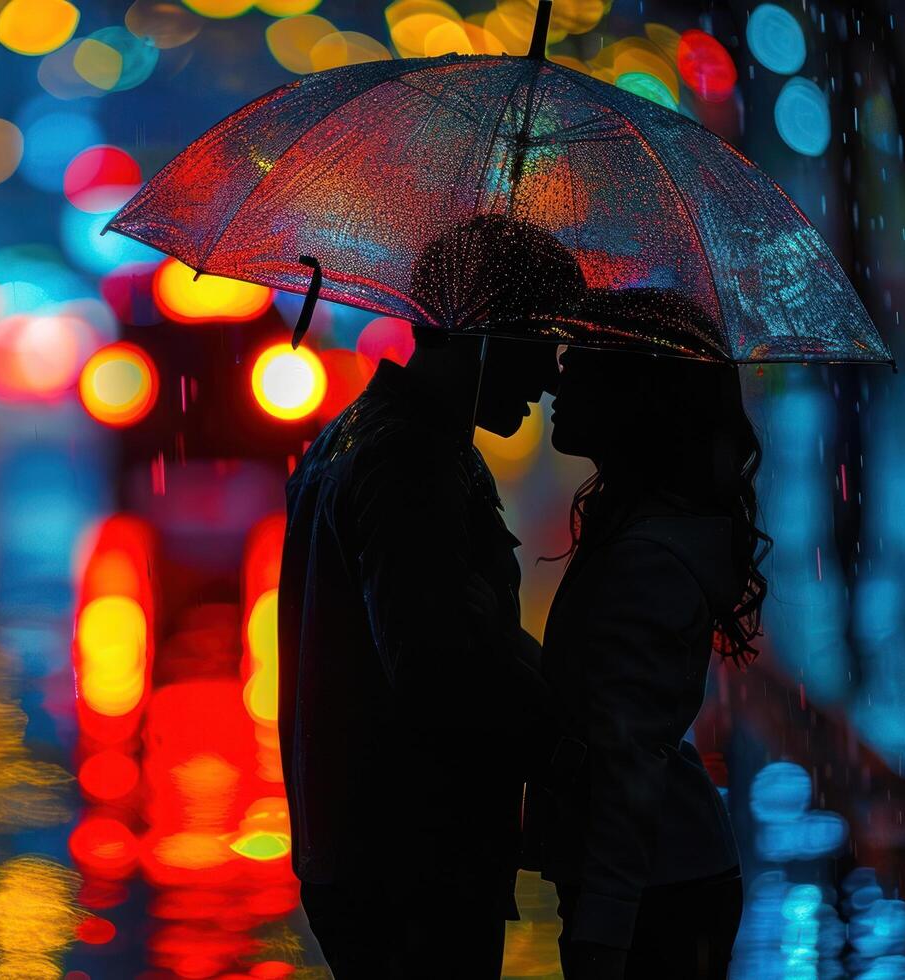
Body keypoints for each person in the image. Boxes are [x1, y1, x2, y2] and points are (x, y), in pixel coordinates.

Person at [277, 215, 582, 977]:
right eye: (540, 340)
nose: (550, 374)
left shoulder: (364, 437)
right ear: (479, 330)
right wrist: (568, 735)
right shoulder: (411, 460)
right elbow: (438, 667)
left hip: (370, 852)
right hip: (411, 860)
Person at [524, 303, 766, 980]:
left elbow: (627, 762)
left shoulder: (645, 560)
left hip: (655, 891)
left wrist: (604, 926)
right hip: (662, 878)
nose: (552, 384)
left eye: (576, 368)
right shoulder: (641, 539)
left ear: (632, 398)